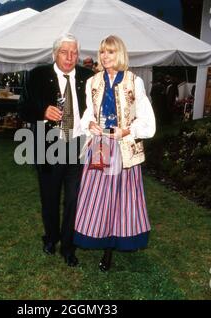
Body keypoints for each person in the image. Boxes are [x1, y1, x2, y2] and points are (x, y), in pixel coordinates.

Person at [73, 35, 156, 272]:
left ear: (119, 54)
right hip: (100, 145)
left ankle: (111, 247)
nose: (104, 56)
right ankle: (96, 235)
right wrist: (90, 124)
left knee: (120, 198)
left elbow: (146, 119)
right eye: (102, 52)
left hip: (123, 148)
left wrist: (127, 130)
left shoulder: (133, 81)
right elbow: (88, 112)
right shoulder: (93, 82)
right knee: (95, 196)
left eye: (109, 52)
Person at [18, 34, 94, 267]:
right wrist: (43, 111)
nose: (70, 57)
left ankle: (69, 246)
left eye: (74, 52)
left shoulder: (88, 77)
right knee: (49, 198)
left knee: (73, 199)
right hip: (49, 146)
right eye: (64, 52)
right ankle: (51, 237)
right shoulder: (37, 75)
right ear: (54, 54)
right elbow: (22, 108)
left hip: (78, 147)